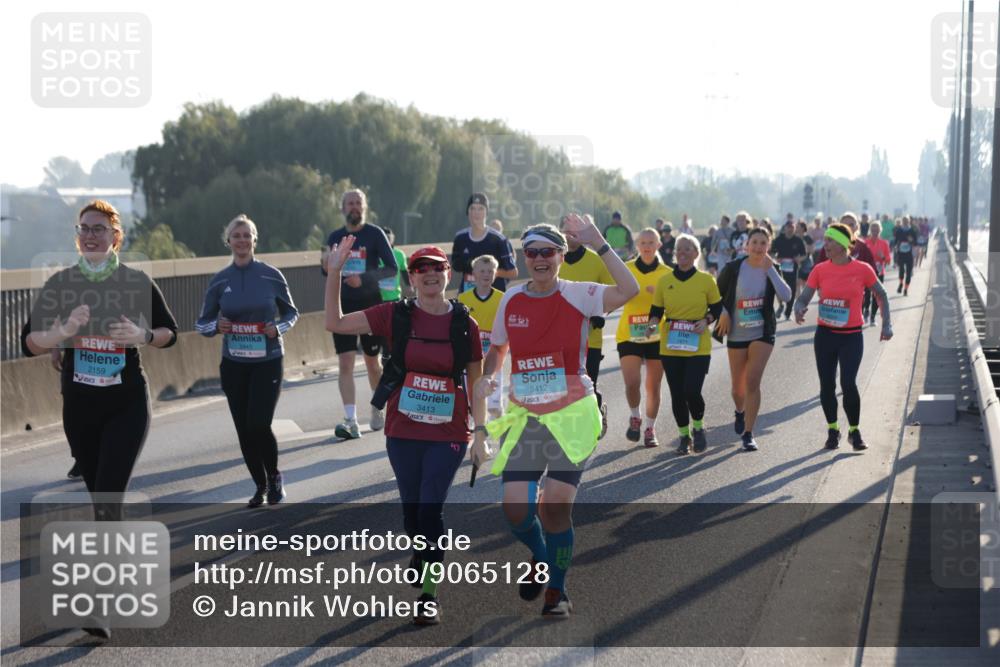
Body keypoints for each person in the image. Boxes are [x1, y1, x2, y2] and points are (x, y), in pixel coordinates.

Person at [21, 202, 178, 638]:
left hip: (127, 404)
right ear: (78, 236)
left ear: (115, 236)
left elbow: (169, 333)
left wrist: (143, 335)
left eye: (100, 229)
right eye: (84, 228)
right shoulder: (61, 283)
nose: (91, 235)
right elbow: (28, 342)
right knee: (101, 503)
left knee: (108, 499)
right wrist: (61, 333)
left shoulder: (135, 281)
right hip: (80, 408)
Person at [475, 215, 639, 617]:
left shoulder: (579, 293)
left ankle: (557, 591)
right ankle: (543, 555)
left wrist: (599, 242)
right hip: (526, 415)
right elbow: (498, 348)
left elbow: (629, 289)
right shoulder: (512, 298)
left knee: (554, 508)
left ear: (562, 256)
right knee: (516, 510)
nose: (539, 259)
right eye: (532, 253)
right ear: (524, 258)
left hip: (573, 413)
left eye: (547, 252)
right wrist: (489, 375)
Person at [326, 242, 489, 626]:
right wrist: (334, 272)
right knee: (412, 513)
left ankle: (429, 596)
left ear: (448, 274)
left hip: (448, 431)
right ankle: (420, 547)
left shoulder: (464, 324)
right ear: (412, 278)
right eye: (421, 269)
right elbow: (336, 323)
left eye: (437, 268)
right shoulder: (395, 315)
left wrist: (481, 433)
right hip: (403, 430)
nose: (430, 274)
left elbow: (476, 381)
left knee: (431, 510)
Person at [196, 214, 299, 508]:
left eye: (246, 235)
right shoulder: (220, 280)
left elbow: (291, 313)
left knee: (258, 423)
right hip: (234, 364)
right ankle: (260, 485)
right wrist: (217, 326)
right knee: (243, 428)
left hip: (268, 360)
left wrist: (278, 327)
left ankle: (274, 475)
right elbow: (201, 323)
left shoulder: (271, 275)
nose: (241, 240)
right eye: (236, 236)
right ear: (228, 241)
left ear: (254, 240)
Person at [794, 219, 893, 450]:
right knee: (827, 385)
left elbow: (881, 295)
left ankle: (854, 431)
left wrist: (886, 324)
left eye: (830, 241)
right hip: (825, 336)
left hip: (851, 336)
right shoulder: (820, 270)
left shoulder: (862, 269)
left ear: (842, 244)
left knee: (848, 383)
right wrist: (799, 308)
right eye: (825, 240)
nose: (825, 245)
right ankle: (833, 429)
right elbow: (803, 298)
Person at [321, 189, 397, 438]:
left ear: (364, 207)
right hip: (342, 305)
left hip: (370, 306)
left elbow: (391, 268)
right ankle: (350, 419)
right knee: (345, 362)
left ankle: (377, 407)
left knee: (372, 362)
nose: (354, 207)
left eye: (358, 203)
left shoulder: (374, 234)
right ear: (343, 208)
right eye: (350, 203)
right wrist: (326, 264)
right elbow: (325, 270)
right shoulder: (335, 236)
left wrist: (363, 279)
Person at [715, 227, 792, 451]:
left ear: (768, 246)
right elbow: (714, 296)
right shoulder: (733, 268)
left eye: (763, 243)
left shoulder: (772, 268)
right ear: (746, 245)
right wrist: (723, 311)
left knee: (752, 381)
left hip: (762, 332)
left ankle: (748, 433)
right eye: (754, 242)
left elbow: (786, 296)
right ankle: (740, 411)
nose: (758, 247)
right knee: (737, 389)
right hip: (737, 333)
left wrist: (771, 271)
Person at [646, 234, 723, 455]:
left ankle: (698, 427)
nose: (682, 253)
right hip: (671, 345)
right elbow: (656, 310)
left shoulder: (706, 280)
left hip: (698, 344)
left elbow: (717, 308)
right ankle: (683, 436)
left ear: (696, 254)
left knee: (692, 390)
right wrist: (652, 324)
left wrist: (706, 320)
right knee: (677, 393)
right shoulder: (664, 281)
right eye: (679, 249)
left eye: (688, 249)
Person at [558, 216, 616, 438]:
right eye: (567, 230)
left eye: (576, 230)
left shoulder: (596, 261)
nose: (571, 235)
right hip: (560, 337)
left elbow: (614, 292)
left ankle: (596, 406)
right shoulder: (554, 260)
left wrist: (600, 313)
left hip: (591, 337)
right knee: (565, 387)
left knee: (587, 384)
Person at [616, 228, 670, 447]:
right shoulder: (625, 269)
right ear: (637, 245)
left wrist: (659, 294)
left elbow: (676, 303)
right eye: (643, 243)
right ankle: (635, 416)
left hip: (657, 336)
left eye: (651, 242)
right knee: (632, 383)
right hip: (629, 334)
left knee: (653, 387)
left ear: (658, 245)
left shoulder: (667, 273)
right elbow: (613, 294)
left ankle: (650, 428)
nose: (647, 247)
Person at [458, 255, 506, 419]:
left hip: (494, 359)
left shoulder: (503, 298)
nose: (486, 274)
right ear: (474, 274)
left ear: (495, 274)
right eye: (482, 271)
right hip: (472, 360)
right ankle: (478, 433)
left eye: (490, 271)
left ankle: (499, 429)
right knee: (474, 405)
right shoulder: (463, 299)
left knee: (494, 407)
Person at [451, 193, 517, 293]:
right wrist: (470, 265)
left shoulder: (499, 239)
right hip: (468, 296)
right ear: (467, 212)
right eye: (472, 208)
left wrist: (490, 272)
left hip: (494, 297)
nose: (476, 212)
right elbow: (455, 265)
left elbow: (513, 272)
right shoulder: (460, 237)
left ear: (486, 212)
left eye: (481, 209)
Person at [771, 221, 807, 321]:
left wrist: (799, 259)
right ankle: (781, 305)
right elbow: (772, 253)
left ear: (794, 229)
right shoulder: (778, 239)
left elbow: (804, 255)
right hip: (780, 267)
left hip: (793, 268)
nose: (790, 229)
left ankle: (788, 311)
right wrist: (776, 258)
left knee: (792, 289)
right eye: (788, 227)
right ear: (785, 228)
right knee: (778, 288)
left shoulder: (798, 240)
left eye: (792, 227)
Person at [863, 221, 891, 325]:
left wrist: (882, 257)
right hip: (867, 272)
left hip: (879, 273)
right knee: (866, 294)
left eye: (877, 229)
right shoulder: (865, 243)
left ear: (880, 230)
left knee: (877, 295)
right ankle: (866, 310)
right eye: (873, 229)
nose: (875, 231)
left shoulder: (884, 243)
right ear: (870, 230)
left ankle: (873, 317)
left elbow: (888, 260)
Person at [378, 226, 411, 303]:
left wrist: (409, 285)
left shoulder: (399, 254)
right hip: (377, 297)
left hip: (395, 296)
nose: (386, 240)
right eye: (384, 237)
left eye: (389, 238)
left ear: (393, 238)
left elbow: (404, 271)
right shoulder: (373, 254)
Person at [894, 216, 918, 296]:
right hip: (901, 253)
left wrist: (912, 241)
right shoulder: (899, 230)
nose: (905, 222)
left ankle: (906, 289)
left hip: (909, 254)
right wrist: (896, 246)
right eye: (904, 220)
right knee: (901, 271)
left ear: (909, 221)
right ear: (902, 221)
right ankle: (901, 283)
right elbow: (895, 241)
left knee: (908, 272)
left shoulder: (912, 230)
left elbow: (915, 243)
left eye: (907, 220)